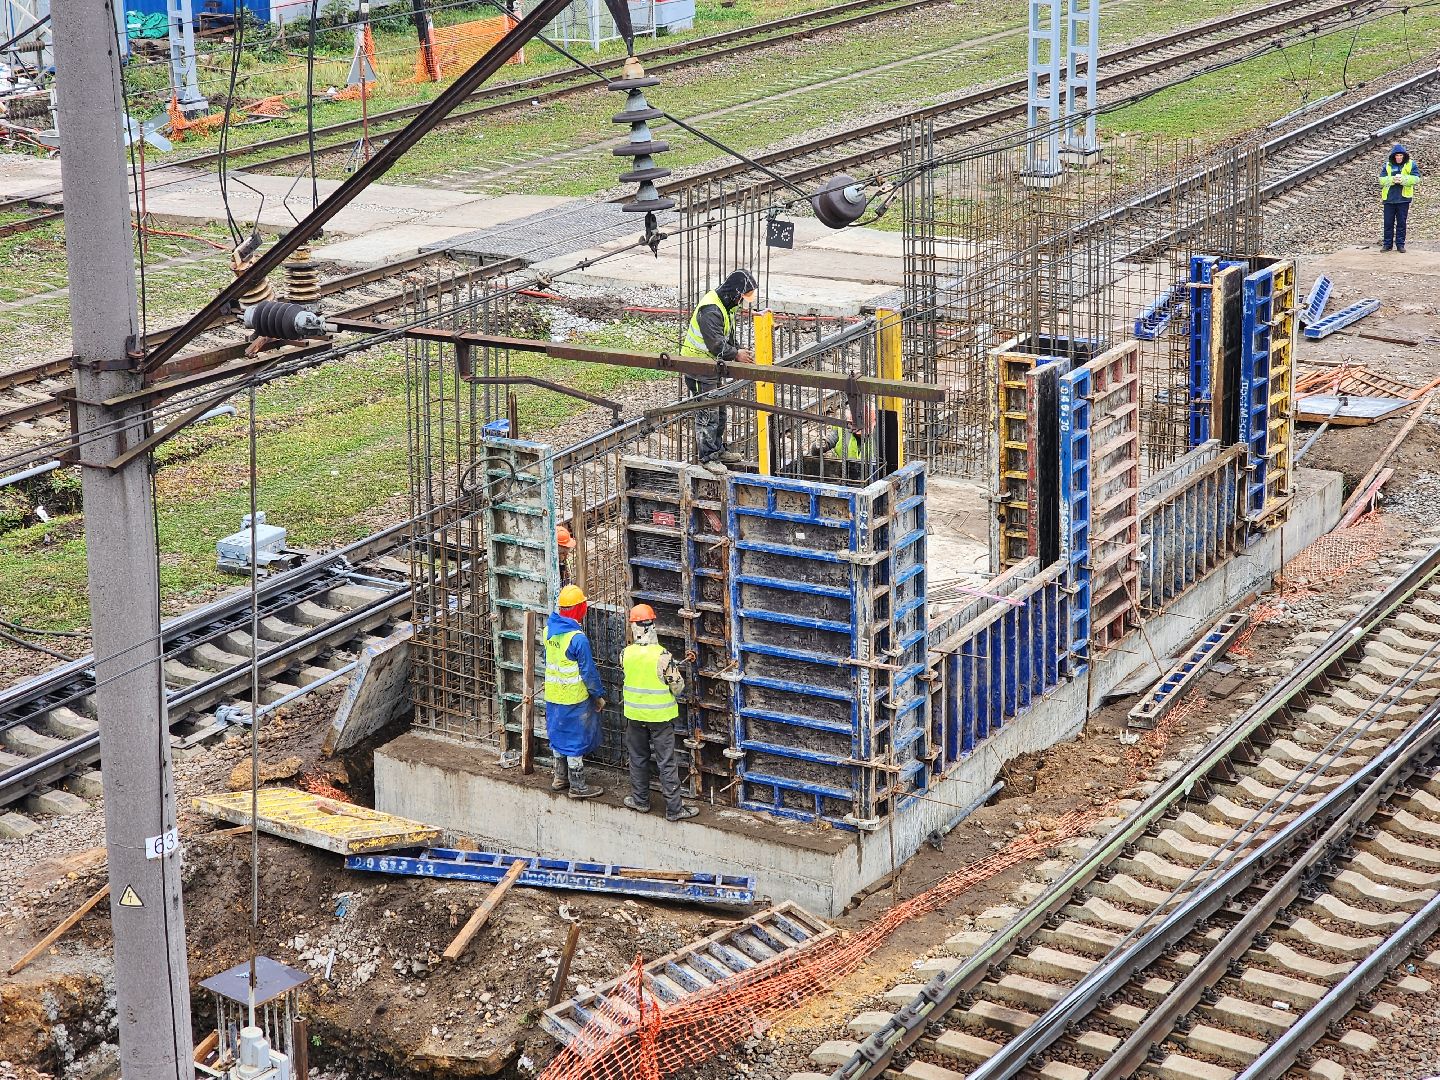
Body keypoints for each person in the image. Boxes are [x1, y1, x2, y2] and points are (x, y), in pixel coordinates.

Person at [620, 604, 698, 821]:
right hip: (660, 719)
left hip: (634, 717)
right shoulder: (663, 656)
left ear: (633, 626)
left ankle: (640, 801)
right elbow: (678, 687)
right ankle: (674, 809)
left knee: (637, 758)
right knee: (666, 762)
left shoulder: (625, 654)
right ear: (652, 625)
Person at [679, 269, 759, 474]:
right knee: (707, 413)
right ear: (734, 294)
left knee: (720, 410)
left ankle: (717, 450)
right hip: (697, 366)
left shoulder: (726, 306)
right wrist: (736, 354)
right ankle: (707, 457)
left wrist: (739, 351)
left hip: (710, 367)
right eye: (742, 298)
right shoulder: (711, 309)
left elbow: (727, 337)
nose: (742, 303)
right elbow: (716, 344)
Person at [543, 584, 606, 799]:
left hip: (553, 696)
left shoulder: (548, 632)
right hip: (574, 699)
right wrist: (597, 695)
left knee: (558, 735)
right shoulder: (577, 638)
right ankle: (578, 786)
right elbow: (588, 672)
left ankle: (560, 778)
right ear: (580, 608)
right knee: (574, 742)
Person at [809, 403, 875, 468]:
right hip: (843, 473)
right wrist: (819, 446)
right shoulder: (842, 429)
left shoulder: (880, 436)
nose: (859, 433)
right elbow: (820, 448)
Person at [1381, 143, 1419, 253]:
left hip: (1403, 198)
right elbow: (1381, 180)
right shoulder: (1387, 165)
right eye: (1397, 156)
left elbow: (1416, 179)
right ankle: (1387, 244)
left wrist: (1403, 180)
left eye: (1401, 156)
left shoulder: (1411, 165)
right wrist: (1392, 180)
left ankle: (1400, 244)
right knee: (1388, 223)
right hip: (1389, 198)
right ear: (1393, 156)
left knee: (1401, 223)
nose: (1399, 158)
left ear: (1404, 156)